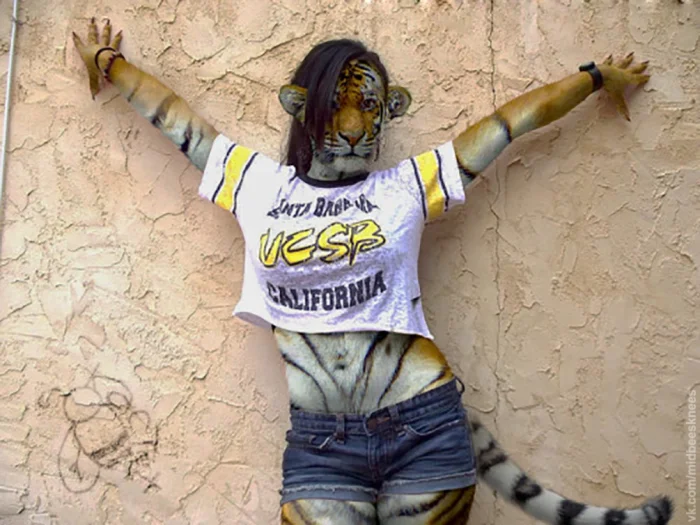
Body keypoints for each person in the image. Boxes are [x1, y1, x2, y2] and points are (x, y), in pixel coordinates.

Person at [72, 18, 673, 525]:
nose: (353, 128)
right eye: (335, 105)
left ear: (388, 112)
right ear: (302, 109)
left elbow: (509, 125)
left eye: (368, 106)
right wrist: (106, 63)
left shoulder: (405, 187)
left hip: (423, 425)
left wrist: (596, 77)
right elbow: (174, 118)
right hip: (319, 443)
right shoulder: (256, 185)